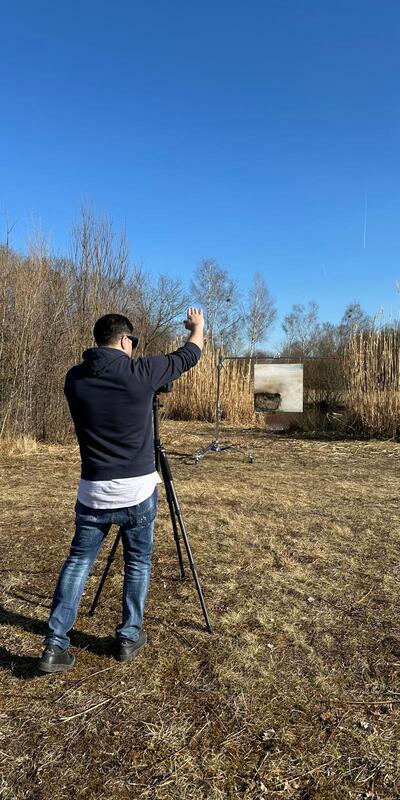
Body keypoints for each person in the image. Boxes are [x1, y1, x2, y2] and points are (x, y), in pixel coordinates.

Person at [38, 308, 204, 673]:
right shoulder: (141, 373)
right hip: (138, 492)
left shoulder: (74, 379)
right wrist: (198, 327)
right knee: (138, 562)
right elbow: (189, 354)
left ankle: (54, 645)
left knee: (78, 562)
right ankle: (128, 636)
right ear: (125, 341)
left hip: (93, 491)